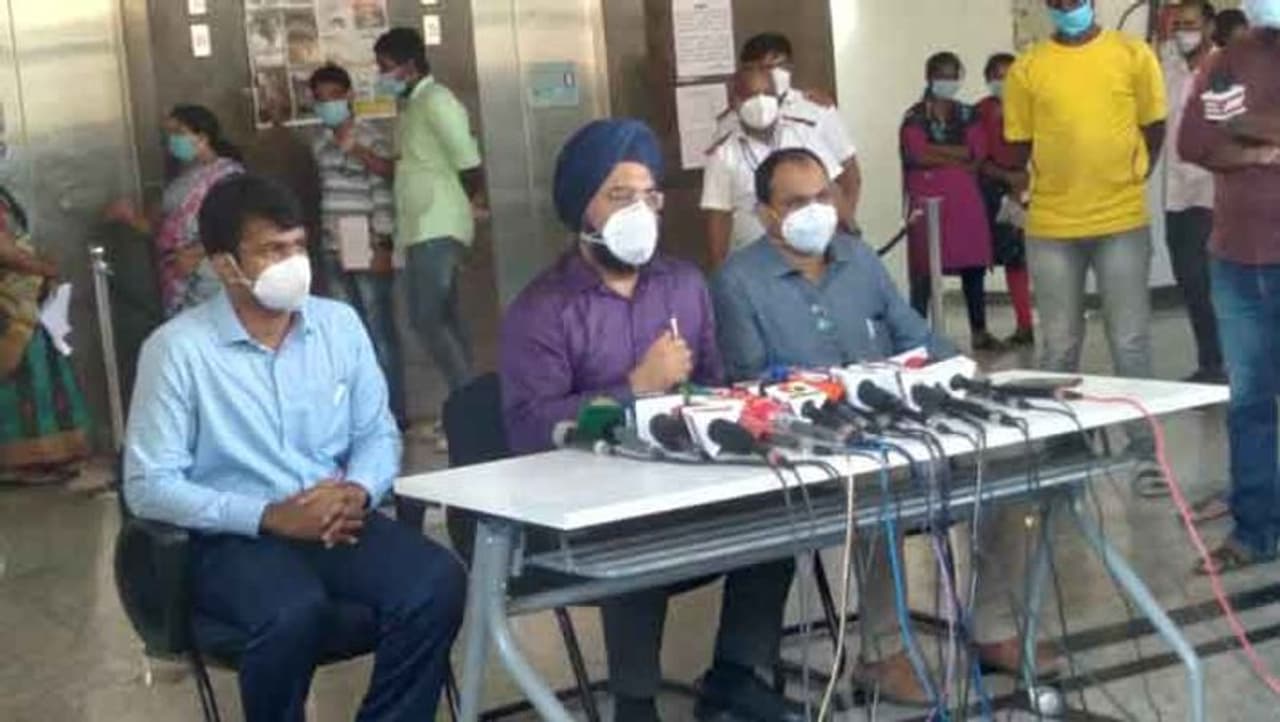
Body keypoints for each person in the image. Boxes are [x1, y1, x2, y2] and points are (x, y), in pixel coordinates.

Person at [712, 147, 1057, 706]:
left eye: (822, 196)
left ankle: (994, 627)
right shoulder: (738, 281)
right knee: (880, 479)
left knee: (1014, 455)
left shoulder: (859, 260)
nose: (815, 210)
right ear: (765, 213)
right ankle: (882, 653)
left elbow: (917, 337)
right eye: (796, 203)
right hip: (816, 445)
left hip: (903, 419)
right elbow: (748, 383)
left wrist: (966, 376)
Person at [123, 174, 465, 722]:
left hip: (335, 518)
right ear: (225, 265)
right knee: (292, 612)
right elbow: (148, 486)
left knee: (436, 581)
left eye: (298, 246)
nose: (293, 263)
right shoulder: (177, 351)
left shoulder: (338, 325)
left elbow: (376, 433)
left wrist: (359, 490)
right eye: (272, 250)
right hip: (233, 538)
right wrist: (269, 516)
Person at [501, 119, 801, 722]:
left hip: (681, 472)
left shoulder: (683, 285)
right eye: (619, 195)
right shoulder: (543, 308)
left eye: (649, 196)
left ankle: (736, 675)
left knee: (777, 513)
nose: (638, 211)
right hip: (584, 496)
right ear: (581, 207)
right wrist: (633, 390)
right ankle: (634, 702)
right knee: (638, 534)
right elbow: (532, 428)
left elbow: (713, 386)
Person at [1003, 0, 1167, 485]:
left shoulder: (1132, 54)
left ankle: (1146, 453)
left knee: (1130, 342)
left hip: (1121, 220)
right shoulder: (1028, 67)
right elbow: (1019, 142)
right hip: (1052, 226)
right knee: (1058, 345)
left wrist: (1133, 175)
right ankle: (1062, 449)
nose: (1065, 7)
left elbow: (1154, 125)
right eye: (1056, 2)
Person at [1179, 1, 1280, 572]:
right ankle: (1256, 530)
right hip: (1238, 258)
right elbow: (1195, 143)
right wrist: (1261, 148)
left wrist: (1242, 126)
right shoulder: (1230, 60)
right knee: (1249, 404)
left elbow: (1227, 132)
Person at [374, 27, 485, 396]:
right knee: (444, 318)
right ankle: (469, 398)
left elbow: (469, 163)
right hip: (422, 227)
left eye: (385, 67)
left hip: (438, 226)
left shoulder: (437, 100)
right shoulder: (413, 107)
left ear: (409, 66)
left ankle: (466, 397)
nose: (381, 75)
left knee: (427, 319)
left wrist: (466, 204)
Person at [308, 63, 406, 427]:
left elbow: (383, 192)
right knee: (345, 334)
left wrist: (383, 244)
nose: (328, 105)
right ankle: (362, 416)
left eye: (334, 96)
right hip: (332, 245)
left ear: (349, 96)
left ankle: (393, 413)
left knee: (380, 331)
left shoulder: (372, 138)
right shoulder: (319, 144)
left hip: (366, 243)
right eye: (320, 99)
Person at [900, 52, 1001, 351]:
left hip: (965, 201)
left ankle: (979, 331)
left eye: (952, 75)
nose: (947, 81)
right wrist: (957, 154)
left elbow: (977, 153)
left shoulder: (968, 114)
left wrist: (937, 151)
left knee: (973, 267)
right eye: (941, 75)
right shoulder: (915, 116)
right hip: (927, 201)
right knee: (923, 270)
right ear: (929, 76)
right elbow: (917, 153)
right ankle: (916, 336)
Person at [106, 105, 244, 317]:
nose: (172, 140)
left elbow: (237, 225)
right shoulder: (185, 176)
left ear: (202, 137)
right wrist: (129, 217)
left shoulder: (227, 175)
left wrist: (196, 253)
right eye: (168, 133)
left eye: (178, 132)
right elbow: (159, 228)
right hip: (177, 271)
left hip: (207, 275)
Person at [701, 66, 845, 264]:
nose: (761, 102)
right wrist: (719, 268)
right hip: (754, 262)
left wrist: (851, 232)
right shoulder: (723, 155)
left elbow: (833, 188)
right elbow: (718, 218)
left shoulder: (803, 135)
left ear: (778, 97)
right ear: (734, 102)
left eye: (767, 93)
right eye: (751, 95)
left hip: (813, 255)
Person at [0, 188, 90, 484]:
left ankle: (48, 457)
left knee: (41, 377)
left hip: (25, 300)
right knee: (22, 380)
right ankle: (22, 462)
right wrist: (43, 267)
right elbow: (4, 250)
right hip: (11, 306)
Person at [727, 32, 862, 224]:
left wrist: (845, 225)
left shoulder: (816, 109)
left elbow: (850, 175)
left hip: (814, 228)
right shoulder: (731, 120)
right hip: (753, 233)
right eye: (764, 67)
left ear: (790, 66)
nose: (773, 73)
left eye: (779, 65)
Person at [1163, 2, 1227, 385]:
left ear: (1210, 27)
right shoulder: (1169, 71)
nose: (1183, 33)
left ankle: (1235, 364)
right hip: (1177, 195)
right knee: (1191, 283)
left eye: (1191, 25)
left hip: (1216, 193)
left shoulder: (1228, 70)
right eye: (1178, 26)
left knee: (1221, 285)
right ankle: (1210, 363)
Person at [976, 53, 1036, 347]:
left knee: (1018, 260)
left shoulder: (1030, 108)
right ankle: (980, 330)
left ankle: (1025, 325)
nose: (1004, 82)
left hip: (1022, 188)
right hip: (986, 188)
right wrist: (1004, 176)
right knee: (979, 259)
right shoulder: (978, 112)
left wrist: (1020, 180)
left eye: (1010, 76)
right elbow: (975, 155)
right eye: (998, 76)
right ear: (988, 79)